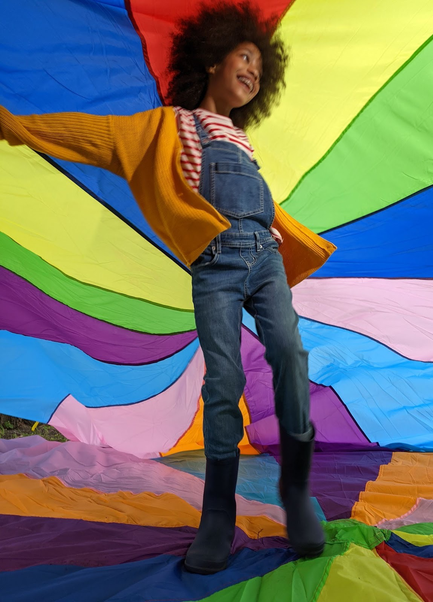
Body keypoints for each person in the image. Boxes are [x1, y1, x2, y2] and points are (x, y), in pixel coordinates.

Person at [0, 0, 336, 575]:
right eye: (244, 57)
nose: (253, 72)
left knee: (291, 356)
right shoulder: (165, 127)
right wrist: (24, 128)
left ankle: (297, 496)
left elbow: (261, 206)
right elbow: (97, 136)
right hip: (216, 263)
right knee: (225, 378)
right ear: (212, 60)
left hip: (266, 259)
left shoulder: (241, 138)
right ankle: (217, 517)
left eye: (260, 66)